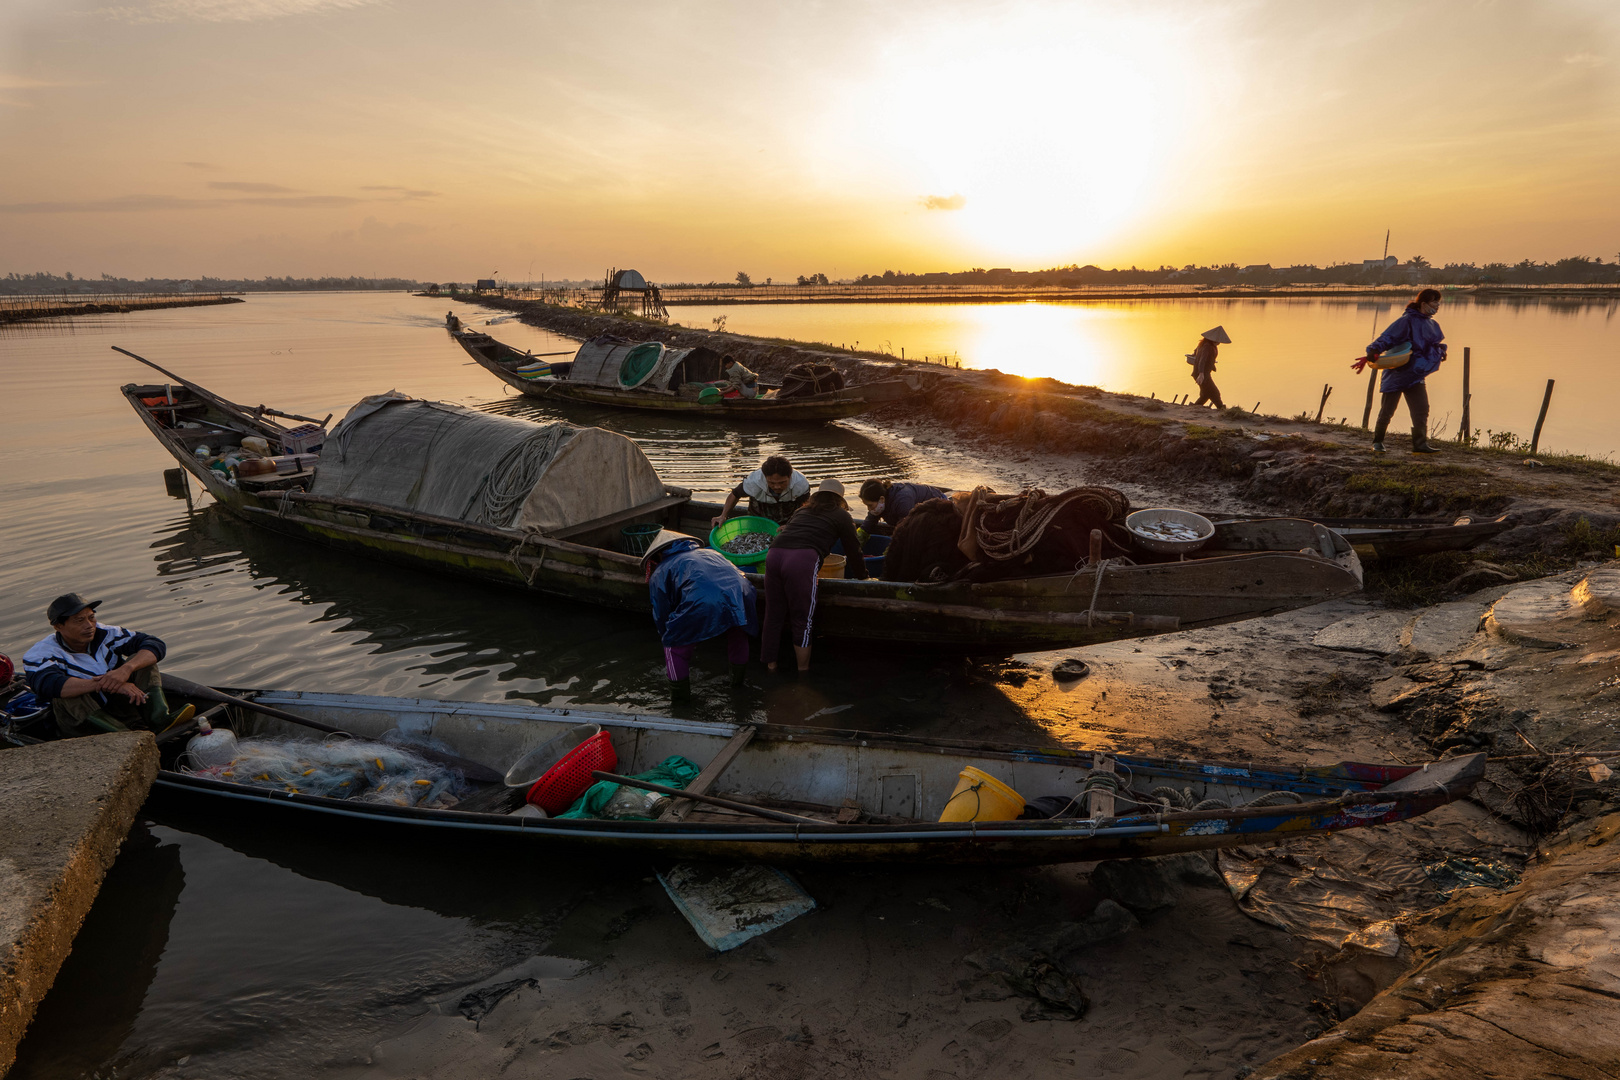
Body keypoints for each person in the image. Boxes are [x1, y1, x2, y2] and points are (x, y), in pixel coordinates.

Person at [22, 593, 192, 737]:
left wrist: (126, 669)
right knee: (67, 693)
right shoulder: (40, 653)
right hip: (82, 723)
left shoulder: (106, 633)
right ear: (59, 626)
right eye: (79, 620)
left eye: (91, 617)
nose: (89, 625)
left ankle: (159, 718)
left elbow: (154, 644)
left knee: (141, 660)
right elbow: (48, 684)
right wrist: (111, 684)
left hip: (122, 705)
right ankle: (124, 737)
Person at [762, 480, 868, 674]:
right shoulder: (842, 515)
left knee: (773, 614)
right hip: (801, 559)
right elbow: (853, 550)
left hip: (774, 554)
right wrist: (863, 578)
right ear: (840, 500)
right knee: (803, 618)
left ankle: (771, 667)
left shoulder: (801, 511)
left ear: (817, 496)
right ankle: (803, 672)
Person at [643, 531, 757, 704]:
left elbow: (662, 613)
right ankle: (737, 685)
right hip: (742, 592)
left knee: (673, 646)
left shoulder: (661, 571)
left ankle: (680, 702)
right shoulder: (712, 553)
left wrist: (668, 636)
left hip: (703, 599)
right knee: (738, 633)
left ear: (659, 554)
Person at [1360, 289, 1448, 454]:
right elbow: (1388, 337)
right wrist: (1373, 350)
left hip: (1416, 374)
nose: (1437, 306)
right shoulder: (1406, 321)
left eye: (1438, 302)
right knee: (1387, 409)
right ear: (1423, 303)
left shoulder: (1432, 324)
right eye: (1434, 302)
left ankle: (1420, 444)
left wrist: (1441, 352)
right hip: (1398, 373)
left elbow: (1433, 344)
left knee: (1421, 408)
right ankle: (1378, 441)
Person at [711, 455, 810, 527]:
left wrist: (792, 525)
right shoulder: (755, 481)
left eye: (782, 482)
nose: (777, 486)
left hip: (788, 512)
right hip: (760, 510)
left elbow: (805, 507)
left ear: (790, 476)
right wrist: (723, 516)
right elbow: (735, 494)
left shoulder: (800, 483)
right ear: (765, 477)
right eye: (771, 482)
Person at [856, 479, 952, 535]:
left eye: (870, 505)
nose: (869, 509)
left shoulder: (902, 501)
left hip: (937, 507)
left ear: (881, 499)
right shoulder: (878, 504)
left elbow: (905, 531)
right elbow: (867, 525)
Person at [1188, 326, 1229, 408]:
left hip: (1203, 373)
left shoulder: (1204, 344)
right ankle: (1221, 408)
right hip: (1202, 374)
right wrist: (1201, 374)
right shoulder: (1207, 346)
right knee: (1215, 392)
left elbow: (1196, 352)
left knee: (1205, 394)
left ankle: (1195, 407)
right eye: (1217, 340)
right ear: (1212, 339)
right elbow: (1202, 360)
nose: (1219, 343)